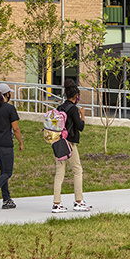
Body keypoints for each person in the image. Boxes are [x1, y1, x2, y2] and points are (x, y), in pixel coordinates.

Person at [52, 79, 90, 213]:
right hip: (69, 143)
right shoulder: (73, 109)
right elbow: (80, 127)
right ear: (76, 96)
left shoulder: (60, 108)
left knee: (59, 173)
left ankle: (56, 203)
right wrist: (83, 115)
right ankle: (79, 201)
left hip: (58, 142)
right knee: (77, 170)